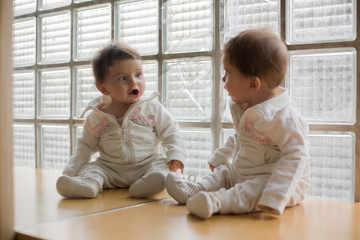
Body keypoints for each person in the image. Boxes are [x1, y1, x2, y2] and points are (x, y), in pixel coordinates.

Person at [166, 29, 311, 219]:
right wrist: (221, 156)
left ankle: (216, 202)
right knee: (226, 172)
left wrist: (276, 196)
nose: (223, 79)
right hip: (245, 170)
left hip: (280, 183)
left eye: (228, 73)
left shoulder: (285, 119)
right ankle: (196, 188)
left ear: (253, 85)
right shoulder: (246, 108)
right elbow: (240, 136)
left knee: (252, 191)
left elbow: (297, 157)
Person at [56, 42, 186, 199]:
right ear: (103, 89)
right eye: (123, 78)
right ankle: (88, 185)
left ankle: (152, 182)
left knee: (163, 169)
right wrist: (71, 173)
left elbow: (171, 130)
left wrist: (176, 155)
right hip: (110, 169)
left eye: (138, 74)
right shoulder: (97, 117)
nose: (134, 82)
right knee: (92, 170)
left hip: (147, 164)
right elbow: (84, 146)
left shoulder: (151, 107)